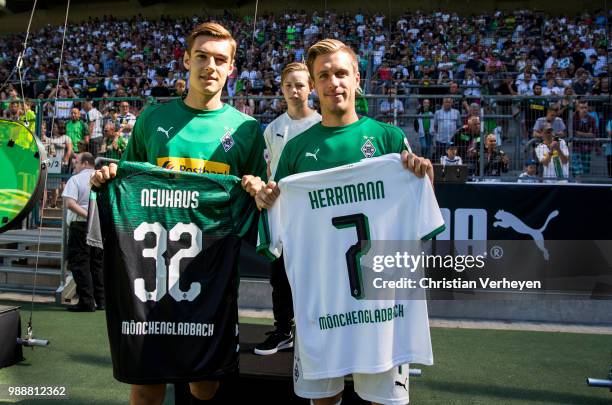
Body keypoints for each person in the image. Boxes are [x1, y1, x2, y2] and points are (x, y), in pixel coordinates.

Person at [90, 22, 267, 404]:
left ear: (232, 68)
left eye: (220, 59)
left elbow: (260, 205)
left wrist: (258, 191)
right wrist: (109, 176)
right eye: (201, 56)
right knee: (147, 385)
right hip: (150, 277)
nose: (210, 66)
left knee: (204, 384)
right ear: (186, 60)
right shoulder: (152, 120)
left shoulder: (247, 129)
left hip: (213, 278)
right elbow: (130, 187)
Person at [254, 38, 433, 405]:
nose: (333, 82)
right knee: (323, 400)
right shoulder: (296, 151)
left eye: (340, 73)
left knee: (384, 402)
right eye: (324, 75)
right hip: (321, 306)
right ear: (315, 85)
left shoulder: (388, 139)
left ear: (356, 78)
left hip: (382, 306)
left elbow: (421, 219)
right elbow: (273, 225)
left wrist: (424, 178)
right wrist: (266, 199)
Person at [250, 62, 322, 356]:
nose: (295, 90)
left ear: (311, 89)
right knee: (280, 276)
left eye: (301, 85)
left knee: (316, 276)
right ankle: (283, 331)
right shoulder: (274, 128)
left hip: (315, 215)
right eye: (289, 85)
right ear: (281, 88)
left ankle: (318, 331)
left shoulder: (321, 123)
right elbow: (269, 170)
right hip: (283, 214)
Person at [62, 152, 104, 312]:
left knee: (80, 263)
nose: (75, 165)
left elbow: (70, 204)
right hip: (99, 226)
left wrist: (89, 216)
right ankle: (101, 300)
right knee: (97, 263)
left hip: (80, 226)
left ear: (85, 163)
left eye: (77, 162)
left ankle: (86, 301)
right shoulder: (103, 179)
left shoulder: (76, 179)